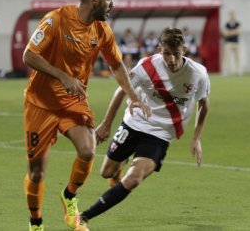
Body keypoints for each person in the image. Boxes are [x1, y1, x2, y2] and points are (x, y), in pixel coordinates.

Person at [22, 0, 150, 231]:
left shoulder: (102, 30)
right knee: (37, 173)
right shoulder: (56, 20)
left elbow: (116, 66)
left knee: (88, 150)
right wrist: (62, 76)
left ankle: (69, 197)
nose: (113, 5)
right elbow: (29, 55)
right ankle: (35, 223)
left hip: (73, 102)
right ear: (94, 0)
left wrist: (134, 97)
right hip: (40, 104)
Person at [77, 27, 210, 230]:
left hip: (161, 133)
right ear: (160, 49)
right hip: (134, 123)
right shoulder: (147, 66)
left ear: (184, 49)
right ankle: (117, 171)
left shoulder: (198, 74)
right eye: (167, 53)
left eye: (177, 53)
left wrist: (196, 137)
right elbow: (122, 90)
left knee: (135, 178)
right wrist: (106, 124)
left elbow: (203, 104)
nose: (172, 60)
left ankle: (83, 217)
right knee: (106, 172)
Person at [222, 10, 241, 76]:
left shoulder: (237, 23)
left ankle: (238, 71)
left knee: (237, 57)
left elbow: (238, 31)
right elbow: (225, 33)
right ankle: (225, 71)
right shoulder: (227, 24)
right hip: (228, 43)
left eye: (233, 14)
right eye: (231, 15)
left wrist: (230, 32)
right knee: (227, 57)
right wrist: (233, 32)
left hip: (236, 43)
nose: (232, 16)